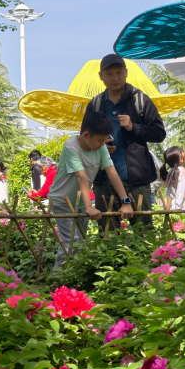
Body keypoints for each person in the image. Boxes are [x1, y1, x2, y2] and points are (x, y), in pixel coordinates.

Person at [86, 53, 166, 229]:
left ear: (126, 73)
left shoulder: (140, 100)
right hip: (103, 180)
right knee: (107, 235)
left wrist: (133, 127)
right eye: (109, 74)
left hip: (136, 179)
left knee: (144, 233)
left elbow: (159, 133)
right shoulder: (95, 104)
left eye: (119, 72)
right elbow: (85, 138)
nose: (115, 78)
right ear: (101, 76)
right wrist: (99, 146)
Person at [49, 111, 134, 267]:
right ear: (87, 135)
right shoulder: (71, 146)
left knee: (80, 244)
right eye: (100, 141)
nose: (102, 145)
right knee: (71, 243)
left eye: (104, 141)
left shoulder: (100, 148)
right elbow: (81, 176)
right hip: (62, 200)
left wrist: (126, 202)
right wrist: (89, 207)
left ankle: (74, 279)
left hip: (81, 202)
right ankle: (57, 279)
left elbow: (112, 173)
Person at [160, 146, 185, 211]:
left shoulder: (171, 171)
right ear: (181, 159)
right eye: (183, 152)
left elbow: (169, 192)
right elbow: (181, 192)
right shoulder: (183, 172)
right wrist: (178, 210)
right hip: (182, 209)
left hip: (171, 207)